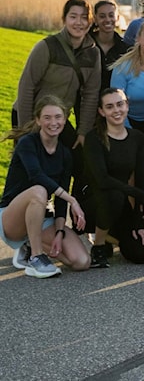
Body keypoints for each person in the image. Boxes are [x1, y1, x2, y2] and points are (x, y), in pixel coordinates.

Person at [1, 96, 90, 278]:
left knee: (81, 261)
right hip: (11, 216)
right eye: (47, 117)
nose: (53, 122)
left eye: (58, 117)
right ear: (38, 120)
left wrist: (59, 231)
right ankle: (36, 257)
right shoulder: (28, 143)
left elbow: (59, 202)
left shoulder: (65, 154)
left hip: (41, 217)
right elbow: (36, 176)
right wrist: (72, 199)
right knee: (39, 190)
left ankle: (27, 246)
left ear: (65, 120)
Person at [82, 88, 144, 266]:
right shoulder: (94, 138)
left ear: (127, 106)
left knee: (141, 254)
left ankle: (111, 235)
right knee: (113, 195)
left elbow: (139, 179)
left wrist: (137, 223)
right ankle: (98, 246)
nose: (116, 110)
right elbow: (102, 180)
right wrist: (140, 196)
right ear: (101, 111)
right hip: (95, 202)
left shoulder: (136, 137)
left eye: (120, 104)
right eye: (109, 106)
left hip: (121, 202)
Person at [15, 0, 101, 148]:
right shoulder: (47, 46)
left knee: (77, 164)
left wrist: (83, 132)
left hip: (57, 120)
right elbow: (26, 86)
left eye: (84, 18)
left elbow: (91, 95)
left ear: (90, 21)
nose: (78, 23)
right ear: (64, 19)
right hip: (31, 116)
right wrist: (26, 129)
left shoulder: (93, 54)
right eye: (73, 17)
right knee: (28, 166)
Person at [90, 0, 131, 92]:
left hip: (114, 103)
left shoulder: (125, 50)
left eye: (111, 15)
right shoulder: (85, 45)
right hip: (86, 102)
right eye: (102, 16)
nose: (107, 20)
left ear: (117, 18)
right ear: (95, 19)